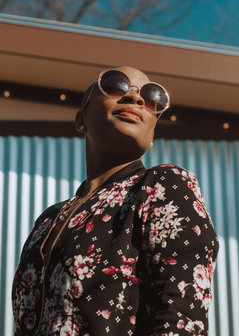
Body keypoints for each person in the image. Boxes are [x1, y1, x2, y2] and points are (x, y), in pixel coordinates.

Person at [12, 66, 219, 336]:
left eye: (151, 96)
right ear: (80, 119)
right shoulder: (48, 219)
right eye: (115, 85)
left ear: (153, 134)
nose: (136, 99)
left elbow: (180, 317)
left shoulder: (163, 185)